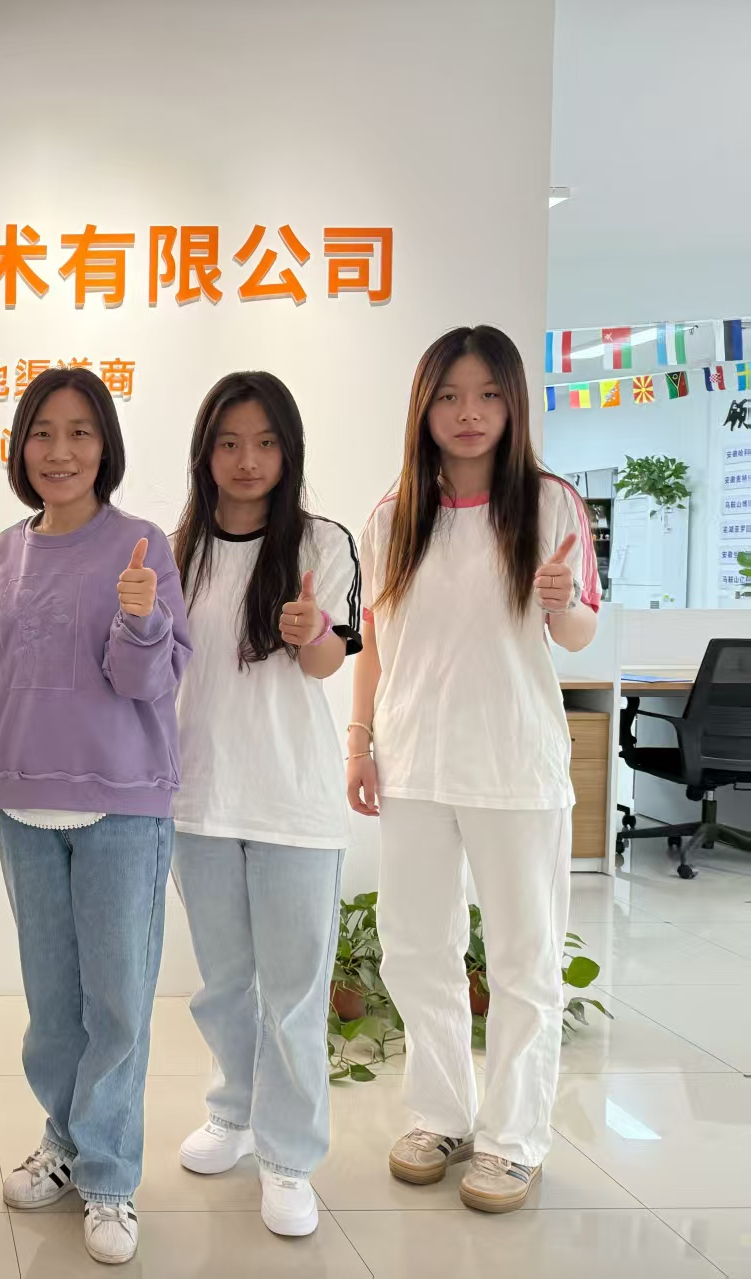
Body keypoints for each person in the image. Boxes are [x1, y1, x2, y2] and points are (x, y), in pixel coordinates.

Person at [348, 325, 600, 1214]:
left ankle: (513, 1138)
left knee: (526, 959)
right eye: (450, 395)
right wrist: (359, 741)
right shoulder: (393, 516)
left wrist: (561, 602)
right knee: (418, 949)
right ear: (424, 407)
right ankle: (442, 1114)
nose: (469, 412)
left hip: (514, 764)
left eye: (488, 394)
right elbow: (375, 641)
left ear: (513, 403)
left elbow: (578, 633)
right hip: (416, 761)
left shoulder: (551, 504)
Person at [0, 366, 191, 1267]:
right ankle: (64, 1140)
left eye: (80, 432)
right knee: (53, 1004)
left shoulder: (143, 545)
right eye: (42, 432)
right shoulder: (0, 552)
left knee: (118, 1003)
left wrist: (140, 620)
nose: (59, 451)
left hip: (121, 804)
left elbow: (152, 683)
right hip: (25, 805)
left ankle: (109, 1176)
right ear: (20, 446)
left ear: (106, 445)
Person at [166, 371, 361, 1238]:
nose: (248, 460)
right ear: (205, 453)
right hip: (200, 798)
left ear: (290, 450)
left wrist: (310, 632)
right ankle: (234, 1112)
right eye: (230, 443)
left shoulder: (323, 542)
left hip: (294, 803)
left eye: (266, 442)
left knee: (292, 991)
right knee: (223, 983)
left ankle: (288, 1157)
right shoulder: (176, 550)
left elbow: (328, 662)